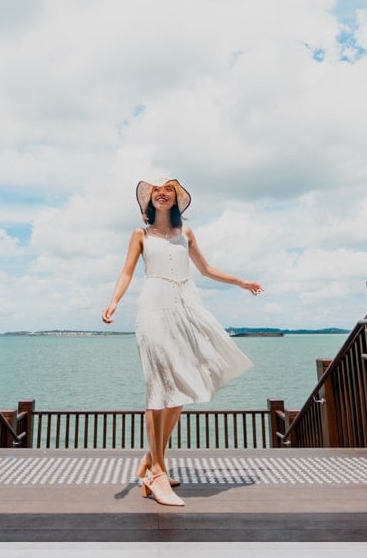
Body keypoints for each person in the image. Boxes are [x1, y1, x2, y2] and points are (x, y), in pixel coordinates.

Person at [101, 177, 263, 506]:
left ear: (175, 199)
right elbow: (127, 272)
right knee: (158, 387)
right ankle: (158, 474)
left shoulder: (185, 234)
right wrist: (114, 300)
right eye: (156, 189)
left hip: (186, 307)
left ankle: (151, 459)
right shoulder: (140, 234)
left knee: (180, 388)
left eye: (168, 189)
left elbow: (205, 269)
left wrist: (241, 282)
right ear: (150, 200)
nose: (162, 192)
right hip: (153, 307)